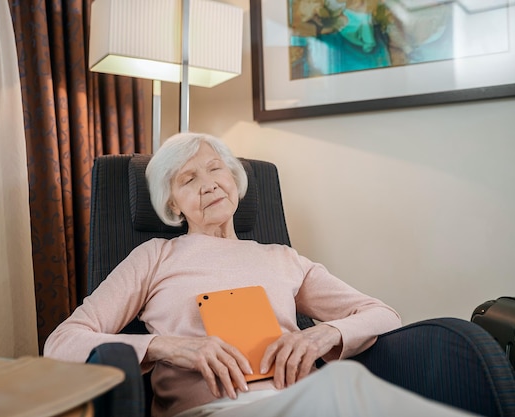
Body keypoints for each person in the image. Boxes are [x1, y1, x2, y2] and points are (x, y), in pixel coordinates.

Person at [44, 132, 472, 417]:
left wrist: (323, 335)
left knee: (345, 381)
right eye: (188, 179)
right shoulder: (155, 256)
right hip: (216, 411)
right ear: (172, 205)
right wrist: (165, 347)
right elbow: (61, 344)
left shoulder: (281, 257)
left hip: (304, 400)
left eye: (216, 169)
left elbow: (382, 314)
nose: (209, 183)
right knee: (344, 387)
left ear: (234, 178)